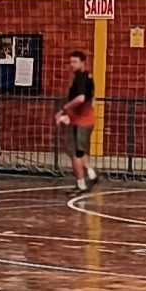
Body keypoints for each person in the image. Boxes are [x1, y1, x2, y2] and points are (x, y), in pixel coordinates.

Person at [59, 49, 99, 191]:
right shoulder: (86, 77)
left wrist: (65, 108)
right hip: (83, 119)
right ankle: (91, 174)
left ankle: (83, 182)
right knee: (80, 152)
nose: (72, 65)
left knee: (74, 153)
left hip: (80, 121)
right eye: (70, 62)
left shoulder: (82, 78)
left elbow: (80, 98)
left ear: (83, 62)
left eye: (75, 62)